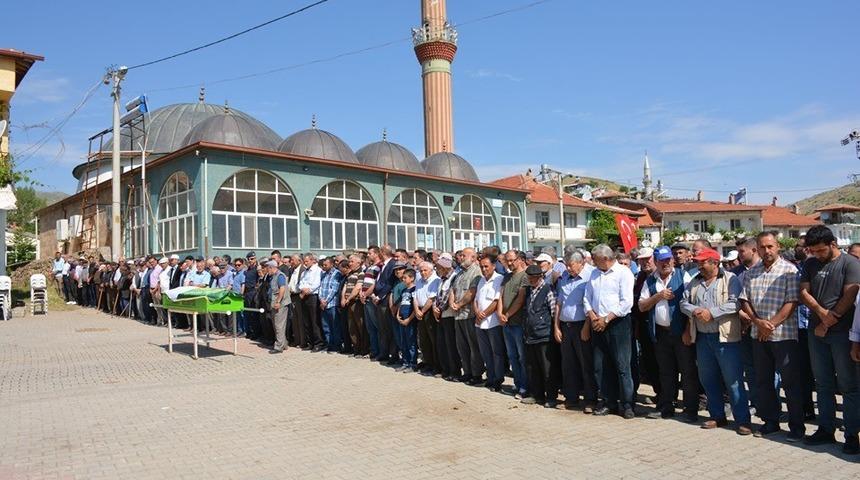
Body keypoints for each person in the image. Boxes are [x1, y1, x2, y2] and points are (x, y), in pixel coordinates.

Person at [798, 225, 860, 453]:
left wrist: (828, 320)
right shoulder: (810, 263)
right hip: (818, 332)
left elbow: (850, 294)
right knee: (822, 383)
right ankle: (826, 428)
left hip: (842, 334)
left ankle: (853, 433)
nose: (817, 254)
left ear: (833, 244)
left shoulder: (850, 264)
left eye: (821, 250)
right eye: (813, 250)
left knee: (848, 385)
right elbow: (803, 292)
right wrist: (822, 315)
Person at [739, 231, 803, 441]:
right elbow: (745, 300)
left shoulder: (790, 270)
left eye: (771, 246)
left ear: (778, 246)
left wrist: (771, 325)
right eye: (763, 247)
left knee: (790, 382)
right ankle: (771, 422)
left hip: (784, 335)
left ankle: (796, 426)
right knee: (763, 380)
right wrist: (758, 322)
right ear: (757, 248)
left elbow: (792, 302)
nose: (767, 251)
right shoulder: (752, 272)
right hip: (759, 335)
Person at [681, 247, 751, 435]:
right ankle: (717, 416)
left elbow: (735, 303)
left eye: (702, 262)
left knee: (733, 380)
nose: (699, 265)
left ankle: (743, 420)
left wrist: (711, 313)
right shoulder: (695, 281)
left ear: (714, 263)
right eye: (698, 262)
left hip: (725, 338)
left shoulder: (730, 279)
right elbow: (683, 302)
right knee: (708, 379)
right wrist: (694, 311)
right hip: (703, 338)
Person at [638, 246, 698, 423]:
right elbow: (642, 306)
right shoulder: (650, 281)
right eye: (662, 260)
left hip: (681, 332)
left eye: (668, 260)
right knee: (666, 372)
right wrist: (658, 296)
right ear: (655, 262)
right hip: (661, 334)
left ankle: (690, 409)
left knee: (688, 372)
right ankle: (667, 407)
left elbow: (691, 304)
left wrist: (688, 330)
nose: (666, 263)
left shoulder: (683, 276)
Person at [584, 244, 636, 419]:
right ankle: (608, 402)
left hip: (617, 323)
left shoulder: (623, 273)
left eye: (596, 259)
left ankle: (627, 404)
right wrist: (593, 317)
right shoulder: (594, 273)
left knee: (622, 365)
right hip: (597, 323)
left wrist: (606, 319)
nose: (593, 262)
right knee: (601, 366)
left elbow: (627, 302)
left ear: (606, 259)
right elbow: (587, 298)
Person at [554, 250, 597, 412]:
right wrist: (556, 327)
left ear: (581, 263)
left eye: (571, 265)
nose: (568, 269)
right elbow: (559, 303)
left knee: (586, 364)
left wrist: (587, 327)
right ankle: (571, 398)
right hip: (566, 326)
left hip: (582, 326)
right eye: (566, 265)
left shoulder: (590, 276)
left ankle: (590, 400)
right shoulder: (564, 277)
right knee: (568, 364)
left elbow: (590, 305)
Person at [521, 263, 560, 407]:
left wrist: (554, 329)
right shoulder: (529, 291)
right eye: (529, 277)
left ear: (540, 277)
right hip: (530, 335)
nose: (531, 280)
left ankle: (551, 397)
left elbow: (554, 311)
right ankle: (537, 395)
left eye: (534, 277)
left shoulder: (548, 289)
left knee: (547, 368)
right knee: (533, 367)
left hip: (544, 335)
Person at [450, 248, 484, 385]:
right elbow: (453, 289)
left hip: (469, 314)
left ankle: (477, 374)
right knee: (462, 346)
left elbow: (472, 292)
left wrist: (459, 304)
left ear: (473, 257)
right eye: (461, 255)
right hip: (458, 315)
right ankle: (467, 372)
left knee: (473, 346)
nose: (461, 257)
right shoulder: (459, 272)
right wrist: (452, 302)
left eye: (464, 255)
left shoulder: (476, 271)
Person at [473, 255, 506, 391]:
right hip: (480, 323)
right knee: (485, 352)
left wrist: (483, 314)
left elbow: (497, 301)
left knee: (496, 352)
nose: (484, 269)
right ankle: (490, 377)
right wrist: (477, 313)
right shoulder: (481, 280)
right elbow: (475, 300)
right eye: (481, 266)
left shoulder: (499, 279)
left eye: (486, 266)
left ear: (493, 266)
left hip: (493, 322)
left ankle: (498, 379)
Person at [500, 250, 529, 399]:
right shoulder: (506, 277)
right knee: (512, 356)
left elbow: (520, 299)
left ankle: (525, 386)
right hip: (506, 324)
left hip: (518, 323)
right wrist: (500, 313)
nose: (510, 263)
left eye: (512, 260)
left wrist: (507, 314)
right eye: (507, 260)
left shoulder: (525, 276)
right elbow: (500, 295)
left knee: (522, 357)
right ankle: (517, 384)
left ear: (519, 259)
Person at [632, 247, 660, 401]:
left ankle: (668, 395)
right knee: (649, 361)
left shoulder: (663, 275)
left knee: (664, 362)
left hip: (661, 327)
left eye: (647, 259)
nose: (645, 262)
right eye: (641, 260)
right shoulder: (640, 277)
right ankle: (659, 393)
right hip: (643, 325)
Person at [433, 255, 460, 381]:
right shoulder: (441, 279)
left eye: (438, 267)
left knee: (451, 345)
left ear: (444, 267)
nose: (437, 269)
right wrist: (435, 307)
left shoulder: (454, 277)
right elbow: (438, 296)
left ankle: (454, 371)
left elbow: (449, 295)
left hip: (449, 315)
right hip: (441, 315)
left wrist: (440, 309)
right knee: (442, 344)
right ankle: (445, 370)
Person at [414, 261, 440, 375]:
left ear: (431, 270)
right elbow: (414, 296)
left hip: (428, 312)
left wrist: (422, 311)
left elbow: (432, 298)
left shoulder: (435, 280)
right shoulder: (419, 281)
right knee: (423, 340)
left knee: (432, 339)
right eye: (421, 271)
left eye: (425, 270)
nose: (423, 272)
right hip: (419, 311)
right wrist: (417, 310)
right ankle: (428, 363)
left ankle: (436, 365)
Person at [342, 254, 368, 357]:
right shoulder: (350, 274)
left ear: (358, 262)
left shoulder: (361, 273)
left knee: (360, 326)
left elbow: (357, 288)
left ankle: (364, 350)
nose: (350, 263)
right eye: (349, 261)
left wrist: (348, 298)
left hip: (356, 303)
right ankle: (356, 349)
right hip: (349, 303)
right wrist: (343, 298)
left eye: (352, 261)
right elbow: (345, 286)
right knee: (352, 327)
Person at [298, 253, 324, 352]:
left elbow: (316, 284)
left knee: (314, 321)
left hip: (313, 296)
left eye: (307, 261)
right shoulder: (305, 272)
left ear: (312, 260)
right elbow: (301, 283)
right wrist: (303, 289)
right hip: (305, 296)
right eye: (304, 261)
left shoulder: (318, 270)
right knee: (307, 321)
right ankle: (311, 342)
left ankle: (319, 343)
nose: (305, 263)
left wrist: (307, 290)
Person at [319, 257, 343, 353]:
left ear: (332, 264)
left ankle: (336, 346)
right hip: (323, 304)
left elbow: (334, 289)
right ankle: (329, 345)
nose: (324, 266)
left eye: (326, 265)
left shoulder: (336, 273)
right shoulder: (323, 274)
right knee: (326, 327)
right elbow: (320, 288)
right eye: (323, 265)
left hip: (332, 304)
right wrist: (321, 300)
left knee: (335, 326)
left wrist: (326, 301)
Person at [396, 269, 418, 372]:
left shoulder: (414, 290)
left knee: (411, 342)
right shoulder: (404, 290)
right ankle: (405, 362)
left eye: (405, 278)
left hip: (410, 319)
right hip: (401, 318)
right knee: (403, 341)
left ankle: (412, 363)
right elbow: (401, 303)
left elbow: (415, 307)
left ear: (412, 278)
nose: (403, 279)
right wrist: (397, 315)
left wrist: (409, 319)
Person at [266, 260, 289, 354]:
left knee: (279, 325)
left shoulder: (280, 276)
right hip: (273, 304)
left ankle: (279, 347)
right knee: (277, 325)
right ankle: (283, 344)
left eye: (268, 268)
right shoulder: (272, 276)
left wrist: (278, 301)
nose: (267, 270)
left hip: (280, 304)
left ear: (271, 267)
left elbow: (282, 289)